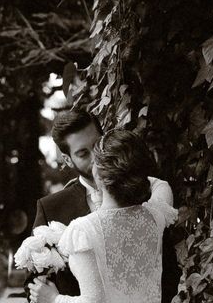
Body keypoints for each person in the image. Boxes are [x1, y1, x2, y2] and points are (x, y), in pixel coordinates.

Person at [26, 110, 180, 302]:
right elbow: (35, 283)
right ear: (67, 159)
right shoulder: (51, 207)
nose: (95, 159)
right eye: (83, 153)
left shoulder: (143, 193)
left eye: (97, 146)